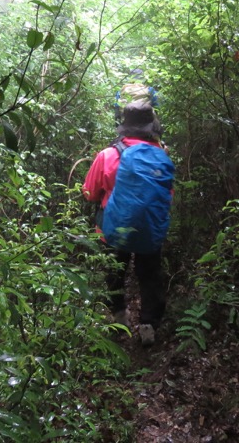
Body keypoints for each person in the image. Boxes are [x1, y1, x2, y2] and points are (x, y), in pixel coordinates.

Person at [82, 100, 171, 346]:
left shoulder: (107, 155)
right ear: (151, 125)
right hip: (150, 228)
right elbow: (167, 195)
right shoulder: (161, 154)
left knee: (114, 272)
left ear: (124, 126)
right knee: (149, 276)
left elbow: (90, 194)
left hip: (113, 229)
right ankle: (148, 326)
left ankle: (118, 316)